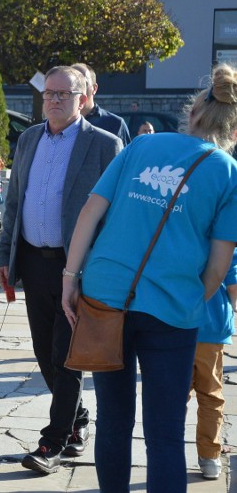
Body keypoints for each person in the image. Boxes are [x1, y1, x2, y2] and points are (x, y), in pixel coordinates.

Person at [60, 63, 237, 492]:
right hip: (172, 310)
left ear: (192, 111)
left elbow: (89, 212)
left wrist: (70, 278)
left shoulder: (141, 147)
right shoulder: (227, 172)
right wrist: (193, 299)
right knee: (163, 435)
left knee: (113, 423)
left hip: (105, 298)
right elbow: (219, 265)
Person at [0, 66, 121, 475]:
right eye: (49, 93)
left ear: (83, 98)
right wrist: (1, 254)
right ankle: (78, 419)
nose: (54, 100)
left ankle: (53, 442)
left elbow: (113, 216)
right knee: (44, 353)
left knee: (66, 356)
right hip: (32, 261)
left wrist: (95, 269)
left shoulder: (104, 144)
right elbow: (14, 201)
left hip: (76, 268)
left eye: (64, 94)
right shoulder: (29, 138)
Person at [189, 249, 237, 480]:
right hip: (212, 326)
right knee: (211, 394)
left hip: (177, 324)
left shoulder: (183, 232)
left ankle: (167, 449)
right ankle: (209, 456)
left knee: (175, 396)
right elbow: (233, 284)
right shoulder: (225, 244)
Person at [71, 63, 132, 146]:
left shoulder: (115, 124)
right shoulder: (56, 124)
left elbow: (126, 158)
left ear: (94, 88)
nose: (77, 87)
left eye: (83, 82)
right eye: (72, 83)